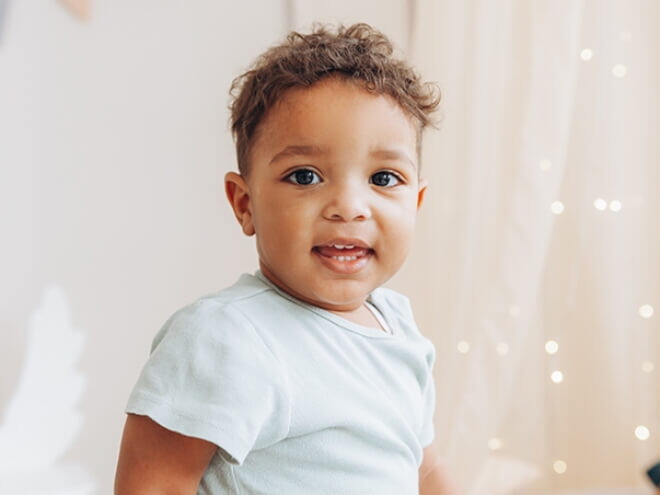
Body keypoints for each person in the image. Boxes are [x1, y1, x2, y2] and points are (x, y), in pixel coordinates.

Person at [114, 22, 457, 495]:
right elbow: (153, 484)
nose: (349, 206)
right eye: (305, 176)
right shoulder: (225, 337)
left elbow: (424, 469)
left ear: (415, 205)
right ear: (245, 203)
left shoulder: (398, 325)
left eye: (382, 179)